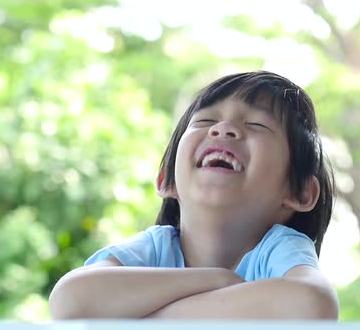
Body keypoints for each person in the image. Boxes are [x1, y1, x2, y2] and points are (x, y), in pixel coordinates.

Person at [48, 70, 338, 319]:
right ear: (167, 179)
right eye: (205, 121)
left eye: (256, 125)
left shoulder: (279, 250)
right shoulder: (155, 248)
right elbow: (69, 300)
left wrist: (145, 318)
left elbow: (313, 303)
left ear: (299, 192)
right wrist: (218, 279)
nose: (223, 129)